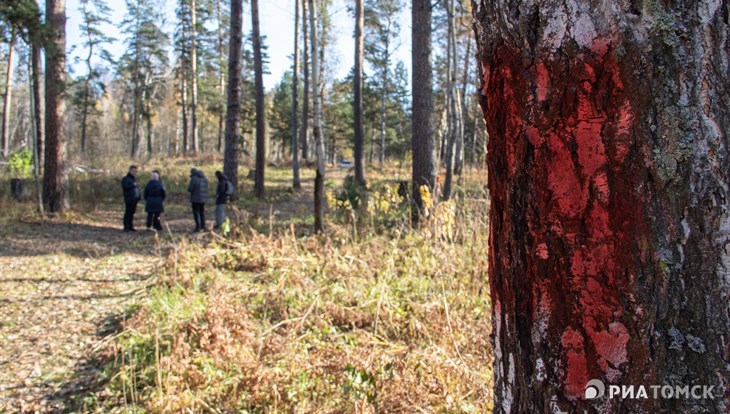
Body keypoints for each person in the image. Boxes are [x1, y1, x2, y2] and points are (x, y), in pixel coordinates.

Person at [121, 165, 141, 232]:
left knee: (132, 213)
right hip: (129, 198)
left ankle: (130, 226)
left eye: (135, 171)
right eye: (133, 171)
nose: (134, 172)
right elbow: (125, 186)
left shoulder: (134, 179)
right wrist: (132, 185)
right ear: (130, 170)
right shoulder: (126, 178)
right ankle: (126, 226)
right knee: (128, 212)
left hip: (134, 199)